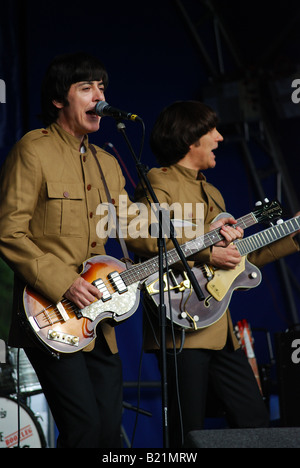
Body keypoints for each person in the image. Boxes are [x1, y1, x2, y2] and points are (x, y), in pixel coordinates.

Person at [0, 54, 241, 448]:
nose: (99, 97)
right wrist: (65, 283)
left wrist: (205, 236)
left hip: (99, 320)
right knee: (83, 431)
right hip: (49, 312)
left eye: (102, 88)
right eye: (86, 88)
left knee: (109, 431)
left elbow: (140, 229)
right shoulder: (34, 150)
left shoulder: (108, 163)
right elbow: (9, 232)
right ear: (60, 99)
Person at [134, 100, 300, 447]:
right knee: (186, 430)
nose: (220, 138)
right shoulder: (158, 181)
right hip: (182, 324)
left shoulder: (212, 192)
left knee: (254, 419)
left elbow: (237, 257)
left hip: (221, 328)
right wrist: (210, 251)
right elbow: (148, 241)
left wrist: (294, 236)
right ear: (190, 138)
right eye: (212, 131)